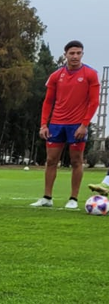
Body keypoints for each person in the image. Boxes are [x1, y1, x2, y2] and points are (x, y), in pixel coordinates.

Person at [32, 41, 99, 208]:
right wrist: (43, 125)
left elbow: (94, 102)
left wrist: (84, 125)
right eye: (72, 53)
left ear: (82, 54)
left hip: (77, 125)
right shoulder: (56, 75)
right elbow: (48, 102)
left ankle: (73, 199)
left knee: (76, 161)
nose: (75, 56)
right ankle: (47, 197)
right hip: (56, 124)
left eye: (78, 53)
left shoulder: (90, 74)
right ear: (65, 55)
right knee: (51, 160)